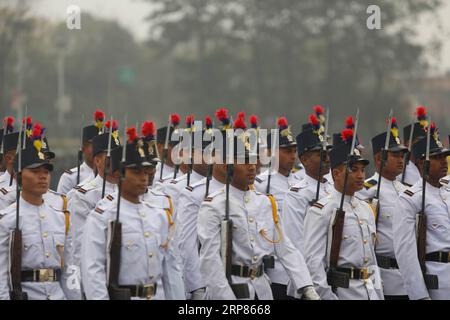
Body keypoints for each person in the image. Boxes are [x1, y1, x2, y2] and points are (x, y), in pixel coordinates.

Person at [197, 125, 319, 300]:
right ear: (227, 166)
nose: (252, 167)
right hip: (230, 289)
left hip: (261, 290)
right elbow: (210, 260)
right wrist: (226, 297)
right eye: (245, 161)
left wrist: (306, 285)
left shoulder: (264, 202)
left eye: (254, 160)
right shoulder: (214, 205)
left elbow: (285, 247)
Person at [81, 127, 182, 299]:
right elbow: (93, 273)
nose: (143, 178)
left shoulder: (159, 215)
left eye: (145, 172)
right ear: (119, 174)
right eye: (136, 172)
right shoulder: (102, 217)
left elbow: (170, 272)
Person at [304, 126, 384, 300]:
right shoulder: (321, 210)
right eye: (353, 169)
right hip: (344, 294)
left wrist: (378, 293)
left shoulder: (365, 209)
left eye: (362, 170)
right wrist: (328, 297)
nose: (361, 175)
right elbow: (314, 263)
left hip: (370, 292)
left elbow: (372, 262)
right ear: (336, 173)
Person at [0, 132, 77, 300]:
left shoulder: (61, 218)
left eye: (46, 171)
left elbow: (70, 269)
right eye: (35, 171)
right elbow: (1, 275)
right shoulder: (7, 220)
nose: (43, 176)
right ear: (20, 175)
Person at [393, 124, 450, 300]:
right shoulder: (410, 199)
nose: (443, 161)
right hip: (438, 283)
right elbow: (406, 252)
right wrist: (419, 295)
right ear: (421, 163)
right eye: (436, 157)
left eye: (444, 156)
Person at [357, 117, 409, 299]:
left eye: (402, 155)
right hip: (383, 275)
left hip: (408, 276)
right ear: (380, 158)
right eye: (396, 155)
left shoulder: (407, 192)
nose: (401, 159)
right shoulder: (366, 190)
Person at [57, 109, 105, 195]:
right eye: (94, 145)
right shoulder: (70, 178)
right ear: (83, 148)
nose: (99, 150)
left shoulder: (112, 178)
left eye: (103, 146)